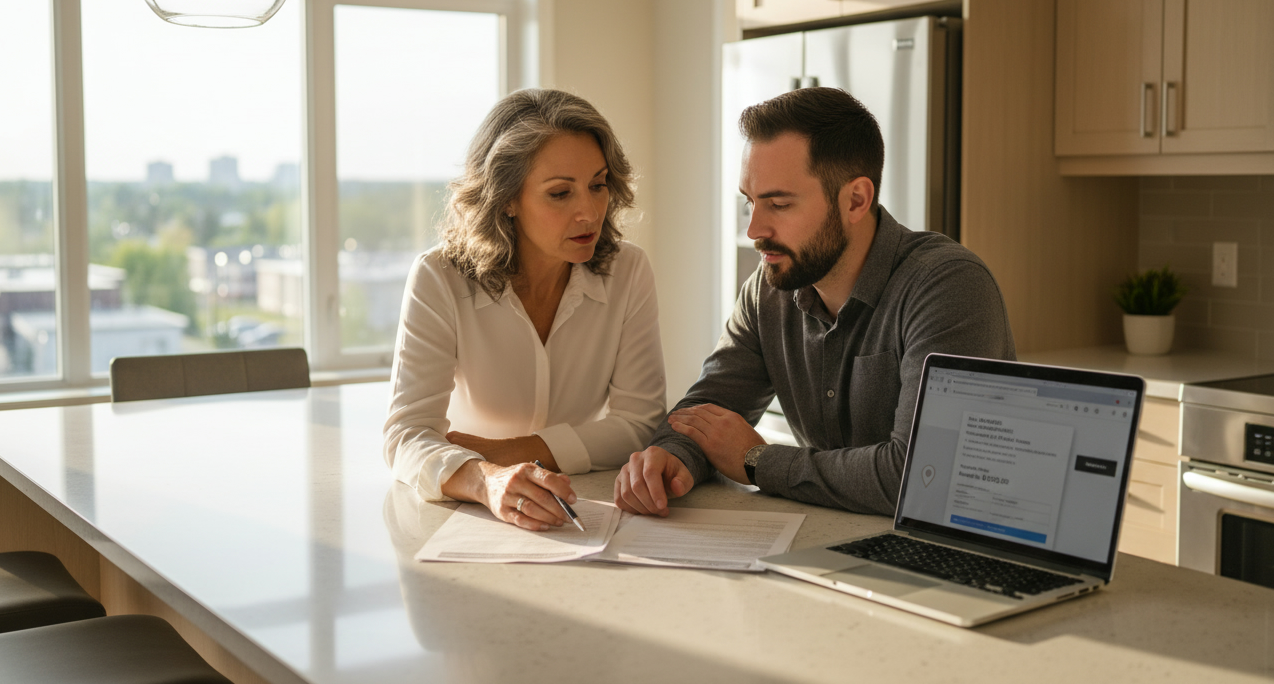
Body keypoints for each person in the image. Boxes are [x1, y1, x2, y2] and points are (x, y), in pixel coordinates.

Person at [614, 87, 1015, 517]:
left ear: (856, 200)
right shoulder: (769, 289)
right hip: (829, 537)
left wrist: (758, 461)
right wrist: (670, 457)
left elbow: (922, 476)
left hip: (951, 545)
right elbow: (706, 412)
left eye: (779, 204)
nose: (754, 230)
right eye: (750, 202)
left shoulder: (948, 286)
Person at [384, 89, 666, 531]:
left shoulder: (628, 270)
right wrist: (485, 479)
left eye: (597, 185)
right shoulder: (438, 277)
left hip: (579, 504)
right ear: (507, 199)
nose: (589, 212)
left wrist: (510, 451)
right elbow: (406, 435)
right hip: (465, 514)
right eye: (560, 193)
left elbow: (641, 424)